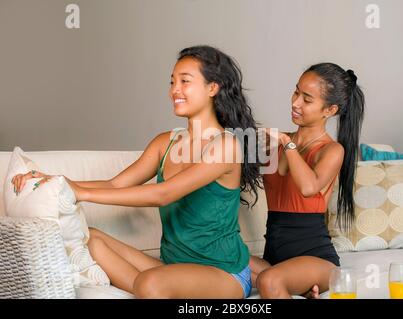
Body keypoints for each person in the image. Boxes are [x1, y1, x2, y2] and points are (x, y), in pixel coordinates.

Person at [11, 45, 262, 299]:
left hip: (221, 273)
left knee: (151, 284)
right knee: (91, 239)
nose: (175, 90)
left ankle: (156, 289)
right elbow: (115, 184)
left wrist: (81, 193)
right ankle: (162, 290)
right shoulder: (166, 142)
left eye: (185, 81)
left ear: (212, 88)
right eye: (172, 81)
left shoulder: (226, 146)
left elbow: (163, 194)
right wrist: (56, 181)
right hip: (173, 267)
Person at [250, 63, 365, 299]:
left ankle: (294, 282)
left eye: (307, 99)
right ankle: (296, 286)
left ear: (330, 110)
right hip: (274, 259)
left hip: (318, 260)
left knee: (269, 280)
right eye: (296, 92)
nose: (295, 103)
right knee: (219, 262)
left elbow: (308, 187)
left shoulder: (332, 150)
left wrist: (286, 141)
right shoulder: (277, 143)